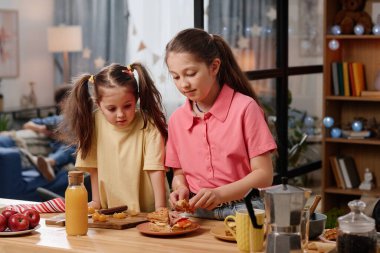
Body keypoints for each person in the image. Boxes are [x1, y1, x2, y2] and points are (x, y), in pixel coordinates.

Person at [164, 28, 277, 220]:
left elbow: (264, 175)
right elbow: (179, 172)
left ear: (214, 67)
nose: (183, 84)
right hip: (196, 213)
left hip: (244, 209)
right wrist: (180, 188)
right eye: (175, 76)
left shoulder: (245, 108)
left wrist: (219, 194)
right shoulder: (177, 120)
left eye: (190, 73)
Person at [60, 63, 168, 212]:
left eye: (127, 106)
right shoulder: (94, 123)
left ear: (136, 98)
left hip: (148, 210)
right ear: (98, 104)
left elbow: (155, 169)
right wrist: (96, 200)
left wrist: (161, 207)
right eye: (111, 108)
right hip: (111, 211)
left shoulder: (149, 123)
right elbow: (93, 166)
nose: (120, 114)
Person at [0, 85, 75, 182]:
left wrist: (61, 137)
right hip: (57, 150)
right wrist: (41, 129)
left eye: (63, 101)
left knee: (70, 148)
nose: (61, 105)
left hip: (72, 149)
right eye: (59, 102)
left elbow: (80, 141)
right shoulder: (57, 119)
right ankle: (49, 165)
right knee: (64, 150)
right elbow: (27, 125)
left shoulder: (83, 119)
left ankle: (49, 163)